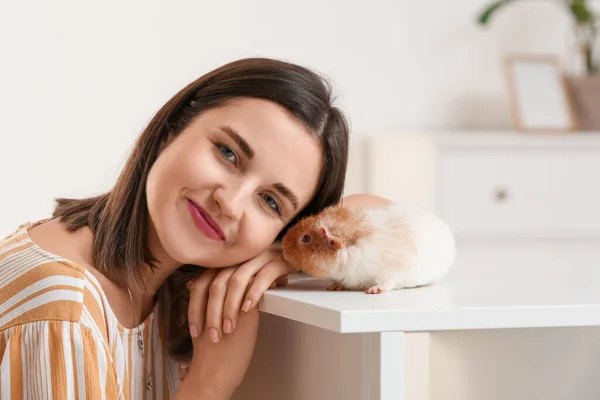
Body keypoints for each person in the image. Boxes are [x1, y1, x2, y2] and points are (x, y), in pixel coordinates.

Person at [0, 57, 361, 399]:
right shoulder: (64, 313)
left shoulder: (154, 283)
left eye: (269, 202)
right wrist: (208, 386)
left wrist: (289, 252)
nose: (231, 204)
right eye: (228, 153)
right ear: (170, 132)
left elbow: (382, 214)